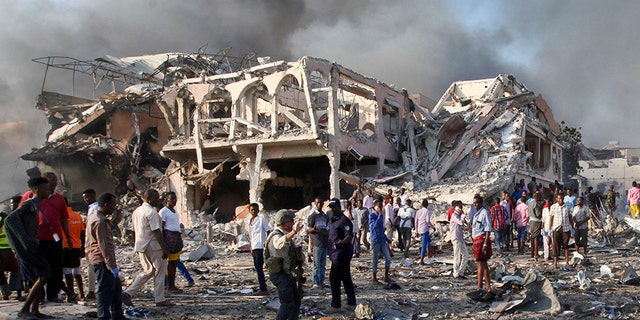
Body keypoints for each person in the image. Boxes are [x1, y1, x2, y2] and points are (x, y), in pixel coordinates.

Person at [20, 172, 73, 302]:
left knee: (56, 269)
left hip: (54, 239)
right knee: (38, 270)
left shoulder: (59, 199)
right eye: (50, 182)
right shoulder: (29, 198)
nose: (53, 184)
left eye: (55, 181)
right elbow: (18, 217)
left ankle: (53, 295)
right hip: (37, 240)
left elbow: (64, 219)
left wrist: (68, 237)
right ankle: (38, 298)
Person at [5, 177, 52, 318]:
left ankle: (34, 310)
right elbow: (10, 219)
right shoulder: (29, 204)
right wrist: (23, 241)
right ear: (37, 189)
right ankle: (24, 309)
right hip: (27, 250)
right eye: (46, 188)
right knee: (44, 274)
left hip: (33, 247)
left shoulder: (35, 205)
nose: (49, 191)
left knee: (40, 276)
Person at [122, 189, 173, 307]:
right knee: (159, 271)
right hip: (154, 245)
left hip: (141, 244)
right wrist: (164, 248)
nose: (158, 200)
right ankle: (160, 299)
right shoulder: (152, 213)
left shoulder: (137, 211)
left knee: (149, 271)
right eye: (156, 198)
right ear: (149, 199)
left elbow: (134, 230)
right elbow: (157, 232)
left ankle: (127, 293)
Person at [86, 193, 127, 320]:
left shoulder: (93, 217)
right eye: (113, 205)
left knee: (116, 288)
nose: (114, 208)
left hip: (99, 258)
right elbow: (103, 245)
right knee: (105, 290)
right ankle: (103, 316)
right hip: (103, 260)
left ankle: (117, 315)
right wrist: (111, 265)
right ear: (106, 205)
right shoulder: (101, 221)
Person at [265, 209, 304, 320]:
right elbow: (278, 243)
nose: (292, 223)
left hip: (287, 274)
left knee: (296, 302)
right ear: (284, 223)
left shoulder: (285, 235)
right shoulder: (275, 236)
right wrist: (294, 232)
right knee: (287, 304)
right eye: (291, 221)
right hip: (280, 275)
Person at [326, 198, 356, 313]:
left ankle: (336, 305)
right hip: (336, 254)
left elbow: (349, 236)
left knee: (334, 279)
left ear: (339, 207)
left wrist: (339, 244)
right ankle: (351, 303)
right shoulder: (333, 220)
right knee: (346, 278)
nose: (332, 209)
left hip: (341, 254)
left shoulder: (344, 220)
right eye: (331, 207)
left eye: (334, 207)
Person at [159, 192, 184, 294]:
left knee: (175, 262)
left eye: (175, 199)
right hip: (170, 238)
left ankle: (172, 285)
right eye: (172, 199)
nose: (174, 201)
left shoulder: (174, 211)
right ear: (167, 199)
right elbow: (162, 227)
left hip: (176, 237)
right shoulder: (164, 211)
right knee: (171, 263)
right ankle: (170, 286)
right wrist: (164, 243)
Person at [61, 200, 85, 301]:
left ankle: (70, 294)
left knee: (67, 271)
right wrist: (82, 247)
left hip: (66, 246)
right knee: (77, 270)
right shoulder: (77, 215)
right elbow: (82, 233)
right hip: (76, 246)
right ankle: (82, 294)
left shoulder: (61, 217)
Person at [1, 196, 22, 301]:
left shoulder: (6, 217)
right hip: (8, 249)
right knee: (15, 270)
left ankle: (10, 292)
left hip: (9, 249)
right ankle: (9, 292)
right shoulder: (5, 217)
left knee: (16, 270)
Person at [471, 195, 493, 295]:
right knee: (482, 264)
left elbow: (488, 229)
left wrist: (485, 244)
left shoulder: (484, 213)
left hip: (482, 240)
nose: (475, 205)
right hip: (476, 240)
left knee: (481, 263)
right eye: (474, 203)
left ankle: (482, 286)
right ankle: (486, 286)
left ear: (481, 203)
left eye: (477, 203)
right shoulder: (476, 214)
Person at [306, 196, 329, 289]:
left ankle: (321, 281)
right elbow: (308, 230)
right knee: (317, 264)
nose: (319, 205)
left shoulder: (325, 216)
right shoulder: (312, 216)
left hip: (324, 242)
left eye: (321, 203)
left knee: (323, 264)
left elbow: (327, 230)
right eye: (318, 203)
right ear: (315, 204)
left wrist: (322, 232)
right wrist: (314, 230)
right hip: (317, 242)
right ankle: (316, 282)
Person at [248, 202, 270, 295]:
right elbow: (251, 235)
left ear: (258, 210)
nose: (253, 211)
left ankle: (263, 289)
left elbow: (268, 231)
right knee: (257, 268)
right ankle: (262, 287)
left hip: (260, 246)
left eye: (255, 210)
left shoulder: (261, 220)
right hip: (254, 246)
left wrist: (267, 242)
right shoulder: (250, 221)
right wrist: (251, 247)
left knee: (259, 268)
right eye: (251, 210)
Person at [82, 188, 99, 300]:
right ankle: (91, 290)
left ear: (93, 196)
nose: (86, 200)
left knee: (94, 267)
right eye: (84, 198)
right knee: (91, 267)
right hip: (90, 242)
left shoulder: (96, 208)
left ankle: (92, 291)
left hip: (94, 243)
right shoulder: (91, 208)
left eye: (87, 197)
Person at [369, 198, 391, 283]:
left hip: (382, 240)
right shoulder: (372, 216)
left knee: (388, 258)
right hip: (375, 240)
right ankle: (374, 276)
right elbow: (374, 227)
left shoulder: (381, 216)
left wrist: (386, 239)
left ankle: (386, 275)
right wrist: (379, 215)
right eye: (378, 206)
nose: (380, 208)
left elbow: (381, 229)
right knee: (375, 259)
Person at [549, 194, 573, 269]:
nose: (561, 200)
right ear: (557, 199)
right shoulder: (553, 207)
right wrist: (550, 228)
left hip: (565, 228)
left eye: (562, 199)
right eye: (559, 199)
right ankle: (555, 263)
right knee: (556, 246)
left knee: (566, 246)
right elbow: (551, 218)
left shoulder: (567, 206)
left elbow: (570, 217)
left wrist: (572, 227)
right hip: (556, 228)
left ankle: (567, 262)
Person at [449, 204, 469, 279]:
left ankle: (461, 272)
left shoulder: (459, 216)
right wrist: (463, 215)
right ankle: (456, 272)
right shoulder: (454, 215)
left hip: (460, 238)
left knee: (466, 255)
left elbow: (464, 223)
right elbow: (460, 222)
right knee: (457, 256)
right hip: (456, 238)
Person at [415, 199, 434, 264]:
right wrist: (433, 227)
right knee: (424, 244)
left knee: (428, 242)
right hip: (425, 229)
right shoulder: (427, 211)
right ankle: (421, 260)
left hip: (420, 229)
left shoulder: (418, 211)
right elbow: (427, 221)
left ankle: (428, 256)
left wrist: (416, 231)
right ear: (427, 205)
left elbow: (416, 222)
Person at [528, 191, 542, 259]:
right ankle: (536, 254)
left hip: (531, 221)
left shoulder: (530, 203)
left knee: (532, 237)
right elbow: (538, 214)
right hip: (536, 221)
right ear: (537, 197)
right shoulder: (536, 204)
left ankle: (532, 253)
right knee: (536, 238)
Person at [541, 196, 553, 260]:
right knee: (546, 242)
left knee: (553, 243)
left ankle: (553, 255)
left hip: (553, 228)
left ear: (551, 202)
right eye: (546, 202)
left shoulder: (553, 209)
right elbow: (543, 219)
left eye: (547, 202)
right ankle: (546, 256)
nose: (546, 204)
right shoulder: (544, 210)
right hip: (546, 227)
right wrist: (542, 228)